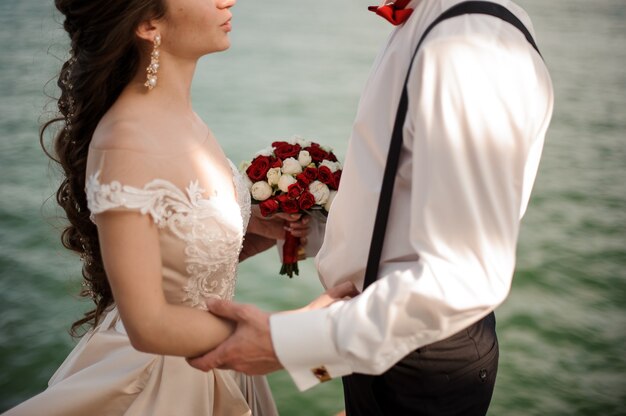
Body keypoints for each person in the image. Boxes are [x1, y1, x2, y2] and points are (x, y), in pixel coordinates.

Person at [187, 0, 554, 414]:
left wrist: (287, 344)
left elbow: (464, 275)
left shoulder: (469, 48)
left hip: (420, 357)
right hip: (383, 336)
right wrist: (309, 232)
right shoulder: (434, 28)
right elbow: (402, 202)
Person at [2, 0, 358, 415]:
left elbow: (173, 260)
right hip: (162, 384)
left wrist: (241, 238)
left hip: (211, 363)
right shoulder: (126, 140)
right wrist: (296, 333)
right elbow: (148, 324)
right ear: (148, 22)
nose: (228, 0)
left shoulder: (179, 116)